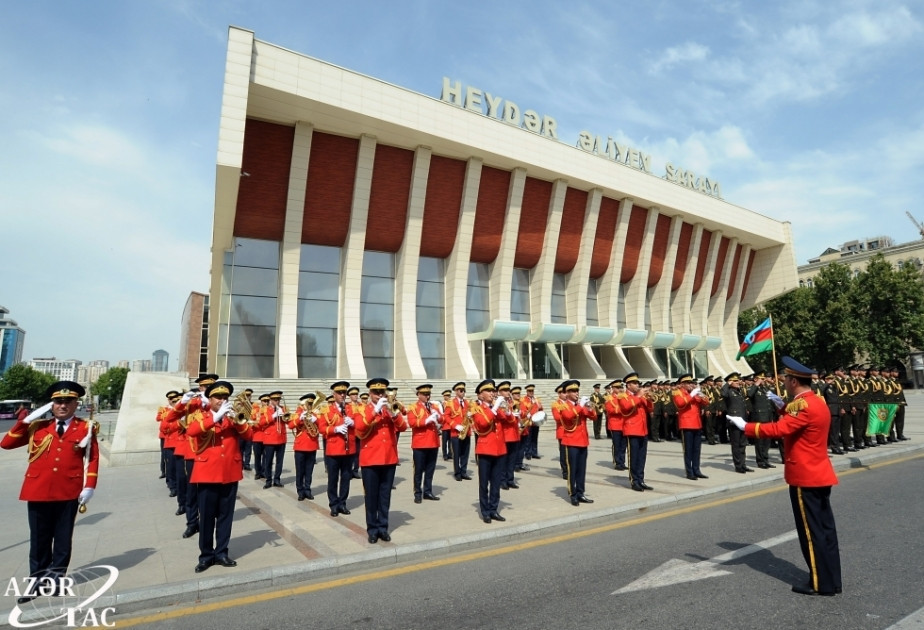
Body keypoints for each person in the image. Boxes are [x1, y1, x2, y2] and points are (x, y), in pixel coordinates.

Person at [728, 356, 842, 596]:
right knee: (825, 530)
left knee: (811, 533)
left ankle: (820, 584)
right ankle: (831, 580)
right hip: (820, 473)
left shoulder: (804, 406)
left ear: (793, 382)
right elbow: (795, 416)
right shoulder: (815, 400)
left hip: (805, 476)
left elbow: (780, 428)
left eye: (786, 379)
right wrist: (781, 406)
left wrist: (746, 426)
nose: (784, 383)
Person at [2, 381, 99, 603]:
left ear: (75, 404)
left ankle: (56, 580)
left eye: (68, 401)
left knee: (63, 540)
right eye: (58, 401)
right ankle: (36, 583)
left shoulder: (85, 428)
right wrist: (25, 421)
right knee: (39, 540)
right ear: (51, 405)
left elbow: (92, 458)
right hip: (38, 490)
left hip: (69, 491)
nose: (62, 405)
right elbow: (6, 444)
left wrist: (90, 485)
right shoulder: (37, 427)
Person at [186, 380, 252, 573]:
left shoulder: (232, 417)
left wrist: (236, 421)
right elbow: (192, 431)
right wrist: (215, 417)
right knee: (206, 518)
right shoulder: (200, 415)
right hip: (207, 474)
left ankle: (222, 552)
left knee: (225, 517)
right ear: (210, 399)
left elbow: (249, 436)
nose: (222, 400)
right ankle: (206, 556)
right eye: (218, 397)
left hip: (229, 473)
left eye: (225, 397)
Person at [356, 378, 407, 543]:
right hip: (370, 459)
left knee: (385, 496)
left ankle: (383, 527)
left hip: (388, 458)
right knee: (371, 497)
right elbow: (359, 428)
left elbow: (403, 427)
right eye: (376, 392)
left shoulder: (389, 409)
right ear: (370, 393)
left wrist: (394, 414)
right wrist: (374, 411)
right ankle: (372, 529)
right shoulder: (362, 409)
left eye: (382, 392)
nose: (379, 395)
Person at [317, 381, 357, 517]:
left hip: (348, 449)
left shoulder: (352, 408)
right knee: (333, 479)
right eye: (339, 393)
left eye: (344, 392)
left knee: (346, 478)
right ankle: (333, 504)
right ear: (333, 394)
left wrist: (353, 423)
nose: (342, 395)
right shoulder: (326, 410)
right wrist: (335, 429)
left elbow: (360, 425)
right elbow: (321, 428)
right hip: (333, 449)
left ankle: (342, 503)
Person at [471, 379, 508, 523]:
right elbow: (483, 423)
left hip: (499, 449)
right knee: (484, 483)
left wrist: (504, 408)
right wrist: (494, 408)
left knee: (496, 482)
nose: (492, 393)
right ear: (481, 395)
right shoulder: (477, 409)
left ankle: (493, 509)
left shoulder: (495, 407)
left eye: (493, 391)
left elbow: (506, 418)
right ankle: (485, 511)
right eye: (488, 391)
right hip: (485, 450)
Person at [557, 380, 596, 505]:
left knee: (581, 470)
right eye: (573, 391)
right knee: (572, 470)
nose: (576, 393)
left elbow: (593, 417)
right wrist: (580, 406)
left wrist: (589, 407)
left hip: (583, 441)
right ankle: (572, 494)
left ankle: (580, 493)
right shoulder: (564, 406)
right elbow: (568, 416)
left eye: (577, 390)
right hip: (571, 442)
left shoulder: (580, 405)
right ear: (567, 393)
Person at [618, 373, 654, 491]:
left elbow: (650, 409)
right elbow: (626, 407)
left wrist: (649, 399)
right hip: (632, 430)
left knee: (642, 457)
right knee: (634, 457)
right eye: (634, 383)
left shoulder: (639, 396)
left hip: (643, 430)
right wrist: (639, 396)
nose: (637, 385)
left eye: (638, 383)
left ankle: (641, 479)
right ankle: (634, 481)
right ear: (628, 385)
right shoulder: (623, 396)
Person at [407, 384, 441, 503]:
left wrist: (438, 415)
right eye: (425, 394)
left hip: (433, 442)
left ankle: (427, 491)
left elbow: (442, 419)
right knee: (419, 470)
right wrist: (426, 420)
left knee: (430, 469)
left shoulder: (433, 406)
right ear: (419, 395)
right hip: (420, 443)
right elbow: (412, 423)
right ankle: (417, 492)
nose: (428, 396)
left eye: (429, 394)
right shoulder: (413, 407)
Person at [673, 374, 710, 480]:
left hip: (697, 424)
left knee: (697, 449)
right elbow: (680, 404)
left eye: (691, 383)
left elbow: (706, 402)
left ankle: (696, 470)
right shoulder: (678, 393)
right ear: (682, 384)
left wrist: (699, 393)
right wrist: (692, 395)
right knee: (688, 450)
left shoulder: (694, 393)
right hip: (686, 424)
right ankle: (689, 472)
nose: (690, 385)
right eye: (688, 383)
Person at [289, 393, 321, 501]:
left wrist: (316, 420)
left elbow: (322, 425)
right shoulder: (298, 413)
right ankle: (300, 491)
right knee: (300, 471)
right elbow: (290, 425)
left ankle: (308, 490)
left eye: (311, 404)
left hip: (312, 445)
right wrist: (300, 418)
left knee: (309, 470)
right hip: (300, 446)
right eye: (308, 403)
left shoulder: (315, 413)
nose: (310, 406)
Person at [722, 372, 752, 473]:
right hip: (734, 421)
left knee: (743, 444)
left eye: (738, 380)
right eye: (735, 381)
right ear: (730, 382)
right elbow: (723, 394)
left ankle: (743, 464)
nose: (738, 382)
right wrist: (727, 384)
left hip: (742, 420)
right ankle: (738, 465)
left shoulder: (739, 391)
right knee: (736, 444)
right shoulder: (728, 391)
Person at [258, 391, 287, 488]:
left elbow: (288, 421)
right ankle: (268, 480)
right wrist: (273, 416)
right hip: (270, 438)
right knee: (268, 461)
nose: (277, 401)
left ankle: (277, 479)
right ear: (271, 400)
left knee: (280, 461)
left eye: (278, 399)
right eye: (275, 400)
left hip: (281, 438)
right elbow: (261, 422)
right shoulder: (265, 410)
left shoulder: (283, 408)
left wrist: (284, 415)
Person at [447, 382, 472, 481]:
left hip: (466, 432)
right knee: (456, 454)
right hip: (456, 433)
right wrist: (455, 425)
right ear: (456, 392)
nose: (463, 392)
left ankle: (463, 471)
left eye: (464, 390)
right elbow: (446, 417)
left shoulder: (467, 403)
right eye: (461, 391)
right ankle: (457, 472)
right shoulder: (450, 403)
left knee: (465, 453)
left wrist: (471, 415)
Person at [158, 390, 181, 497]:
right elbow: (163, 426)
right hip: (170, 442)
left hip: (181, 443)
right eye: (172, 400)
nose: (174, 402)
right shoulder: (166, 411)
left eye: (176, 401)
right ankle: (172, 486)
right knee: (170, 466)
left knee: (180, 468)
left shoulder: (183, 412)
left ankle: (179, 486)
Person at [604, 379, 627, 471]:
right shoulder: (609, 398)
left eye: (620, 387)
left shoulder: (624, 397)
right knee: (616, 444)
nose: (619, 389)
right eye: (617, 387)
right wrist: (622, 409)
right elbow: (610, 410)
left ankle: (622, 462)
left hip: (624, 424)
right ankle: (617, 462)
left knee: (623, 445)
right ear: (613, 388)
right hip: (615, 424)